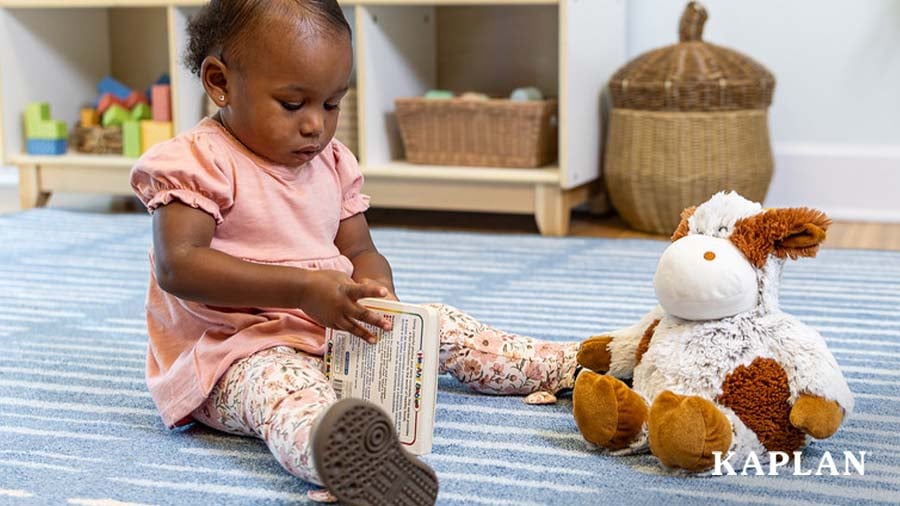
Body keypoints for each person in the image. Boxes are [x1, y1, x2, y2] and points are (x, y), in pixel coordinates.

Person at [130, 1, 577, 504]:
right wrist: (301, 288)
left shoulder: (332, 163)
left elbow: (360, 247)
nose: (315, 126)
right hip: (232, 354)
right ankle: (349, 459)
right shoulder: (198, 161)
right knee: (285, 396)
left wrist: (377, 288)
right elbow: (179, 265)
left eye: (332, 104)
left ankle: (566, 365)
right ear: (220, 82)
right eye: (293, 104)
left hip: (330, 329)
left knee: (438, 323)